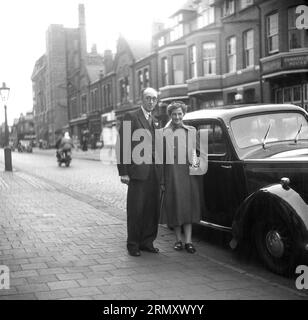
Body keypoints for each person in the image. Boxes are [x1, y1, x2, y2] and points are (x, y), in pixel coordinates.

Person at [116, 87, 162, 257]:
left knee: (152, 208)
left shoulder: (156, 121)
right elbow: (122, 145)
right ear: (142, 99)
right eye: (148, 98)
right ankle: (133, 244)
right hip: (137, 173)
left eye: (154, 99)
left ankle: (147, 242)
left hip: (154, 173)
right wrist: (124, 172)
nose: (151, 101)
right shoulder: (131, 117)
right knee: (136, 209)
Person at [160, 101, 205, 254]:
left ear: (183, 114)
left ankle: (189, 241)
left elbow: (199, 152)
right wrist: (162, 181)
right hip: (171, 175)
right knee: (175, 207)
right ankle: (178, 240)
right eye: (174, 114)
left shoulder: (191, 131)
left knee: (188, 207)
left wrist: (196, 167)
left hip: (188, 176)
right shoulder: (164, 133)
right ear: (170, 115)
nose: (177, 117)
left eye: (179, 114)